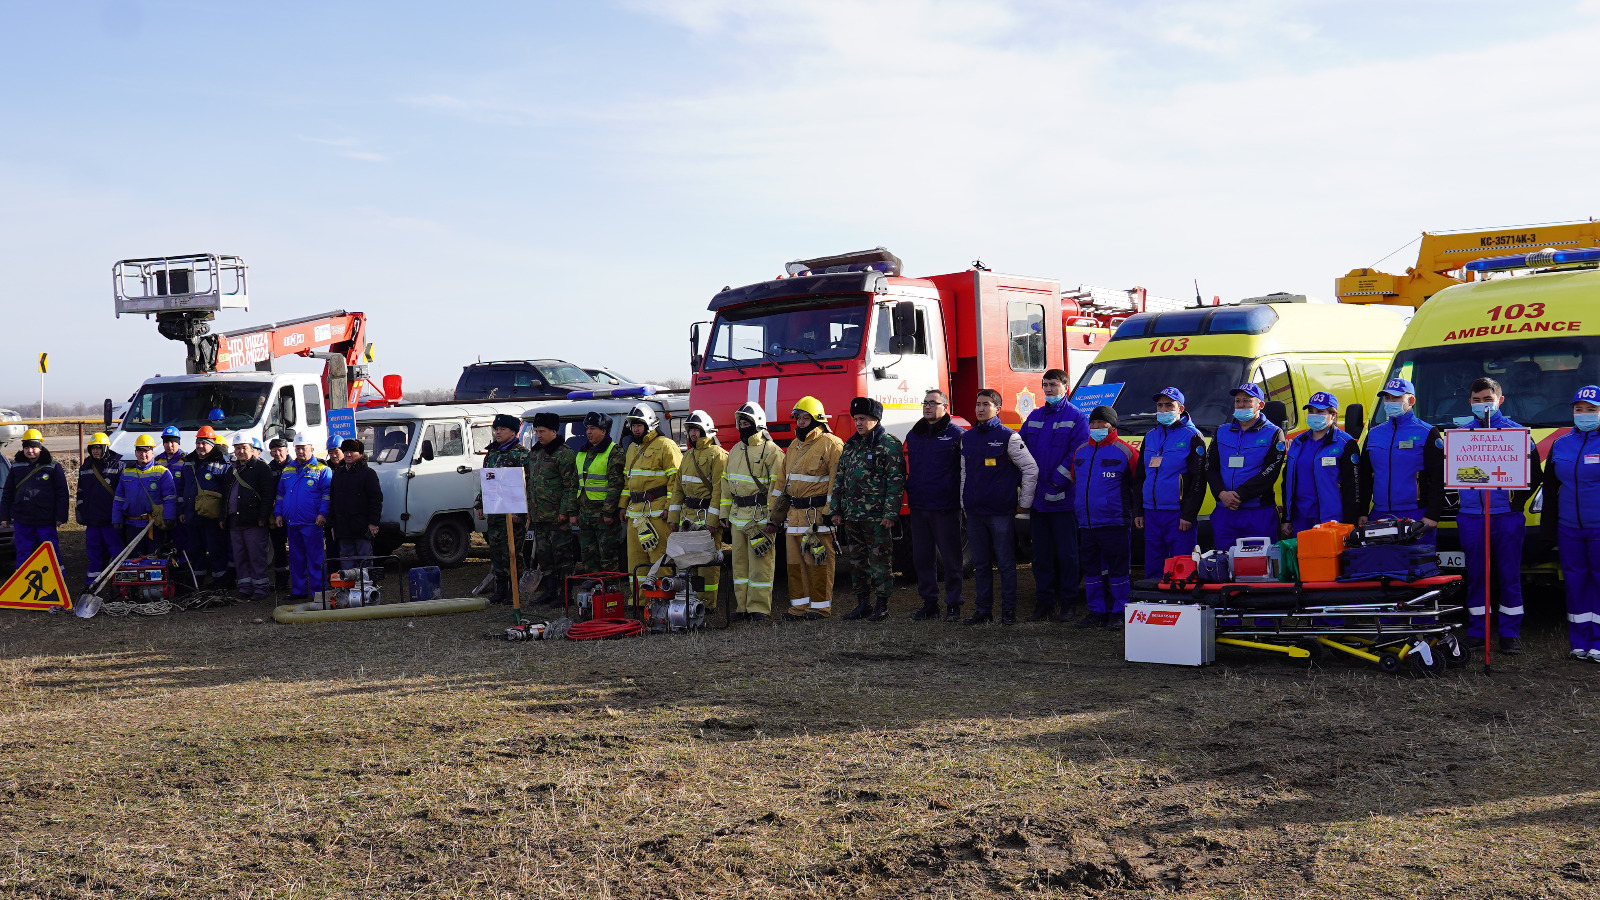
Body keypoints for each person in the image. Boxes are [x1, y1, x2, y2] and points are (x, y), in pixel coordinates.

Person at [1427, 376, 1542, 655]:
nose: (1482, 405)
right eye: (1476, 400)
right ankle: (1478, 631)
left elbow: (1536, 474)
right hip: (1470, 517)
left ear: (1500, 400)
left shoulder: (1518, 435)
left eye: (1487, 399)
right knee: (1477, 576)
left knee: (1509, 575)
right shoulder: (1460, 435)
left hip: (1505, 516)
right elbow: (1445, 476)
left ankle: (1509, 634)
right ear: (1469, 402)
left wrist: (1517, 504)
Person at [960, 389, 1038, 625]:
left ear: (997, 408)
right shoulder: (968, 437)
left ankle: (1008, 612)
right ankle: (983, 611)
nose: (980, 408)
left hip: (1000, 513)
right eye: (977, 404)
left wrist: (1024, 503)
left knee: (1005, 564)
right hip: (974, 513)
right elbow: (964, 473)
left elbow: (1031, 469)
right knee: (981, 565)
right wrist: (964, 502)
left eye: (986, 404)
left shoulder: (1009, 437)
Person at [1020, 368, 1090, 621]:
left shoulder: (1077, 418)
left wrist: (1056, 482)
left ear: (1065, 388)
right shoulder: (1035, 416)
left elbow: (1078, 453)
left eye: (1053, 385)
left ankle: (1068, 602)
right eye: (1045, 385)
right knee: (1041, 556)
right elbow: (1020, 447)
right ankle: (1044, 602)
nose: (1048, 390)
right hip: (1038, 501)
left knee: (1068, 555)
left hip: (1063, 501)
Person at [768, 396, 844, 620]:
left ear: (817, 419)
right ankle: (798, 608)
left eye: (805, 418)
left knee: (818, 563)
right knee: (794, 566)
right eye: (798, 418)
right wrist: (774, 517)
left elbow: (836, 482)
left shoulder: (832, 444)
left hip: (817, 517)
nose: (800, 422)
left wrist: (831, 511)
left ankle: (820, 608)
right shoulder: (794, 446)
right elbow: (781, 484)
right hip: (794, 517)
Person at [831, 397, 906, 622]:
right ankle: (862, 603)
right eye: (856, 419)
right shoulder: (851, 445)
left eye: (862, 419)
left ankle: (882, 605)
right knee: (857, 562)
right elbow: (840, 479)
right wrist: (836, 510)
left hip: (877, 518)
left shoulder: (889, 444)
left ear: (875, 419)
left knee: (880, 562)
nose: (858, 423)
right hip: (853, 515)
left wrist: (890, 514)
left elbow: (896, 481)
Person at [1540, 385, 1600, 662]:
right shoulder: (1560, 443)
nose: (1584, 414)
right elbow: (1549, 489)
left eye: (1592, 410)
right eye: (1579, 409)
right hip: (1569, 529)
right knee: (1575, 583)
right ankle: (1579, 641)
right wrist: (1547, 529)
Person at [1070, 406, 1142, 629]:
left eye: (1102, 423)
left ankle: (1119, 612)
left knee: (1118, 569)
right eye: (1093, 423)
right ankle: (1096, 612)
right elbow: (1075, 480)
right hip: (1086, 523)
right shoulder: (1080, 451)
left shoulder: (1126, 452)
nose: (1097, 427)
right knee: (1091, 568)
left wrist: (1136, 514)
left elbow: (1137, 486)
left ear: (1112, 425)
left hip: (1115, 522)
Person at [720, 402, 785, 621]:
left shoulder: (772, 451)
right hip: (738, 517)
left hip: (760, 519)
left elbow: (778, 489)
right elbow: (726, 484)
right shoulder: (735, 450)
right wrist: (723, 514)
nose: (742, 425)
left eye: (746, 421)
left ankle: (759, 608)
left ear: (758, 423)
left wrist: (773, 520)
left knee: (761, 565)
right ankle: (742, 607)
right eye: (740, 421)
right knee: (739, 565)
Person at [905, 389, 965, 620]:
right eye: (925, 402)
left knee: (951, 560)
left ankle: (953, 604)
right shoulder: (914, 434)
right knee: (922, 558)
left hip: (945, 507)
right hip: (919, 506)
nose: (927, 406)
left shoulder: (956, 434)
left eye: (933, 403)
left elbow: (964, 471)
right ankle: (930, 603)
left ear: (945, 407)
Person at [1207, 383, 1285, 553]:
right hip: (1224, 512)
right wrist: (1221, 494)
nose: (1241, 405)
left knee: (1260, 567)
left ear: (1260, 405)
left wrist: (1239, 495)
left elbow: (1270, 472)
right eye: (1237, 401)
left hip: (1258, 512)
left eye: (1247, 401)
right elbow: (1210, 467)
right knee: (1225, 565)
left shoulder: (1273, 433)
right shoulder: (1221, 431)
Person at [1135, 388, 1206, 573]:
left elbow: (1198, 480)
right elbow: (1140, 477)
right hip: (1152, 513)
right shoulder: (1150, 436)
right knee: (1153, 566)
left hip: (1178, 514)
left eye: (1169, 405)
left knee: (1182, 567)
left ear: (1180, 408)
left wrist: (1188, 514)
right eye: (1160, 405)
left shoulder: (1193, 436)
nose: (1164, 410)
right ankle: (1153, 601)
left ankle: (1182, 602)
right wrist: (1139, 511)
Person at [1358, 378, 1437, 532]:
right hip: (1380, 513)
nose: (1390, 402)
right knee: (1381, 556)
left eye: (1396, 397)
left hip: (1416, 514)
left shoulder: (1427, 432)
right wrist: (1362, 511)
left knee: (1414, 556)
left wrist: (1432, 514)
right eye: (1387, 398)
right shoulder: (1374, 433)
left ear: (1411, 400)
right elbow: (1364, 476)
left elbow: (1437, 478)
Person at [1280, 391, 1361, 536]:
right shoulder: (1298, 442)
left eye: (1320, 412)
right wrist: (1287, 518)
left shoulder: (1345, 443)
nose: (1313, 415)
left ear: (1333, 415)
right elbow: (1287, 481)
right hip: (1301, 518)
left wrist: (1351, 521)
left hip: (1331, 520)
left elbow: (1352, 486)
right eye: (1311, 411)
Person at [622, 405, 682, 576]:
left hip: (657, 512)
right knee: (635, 560)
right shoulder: (632, 448)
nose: (635, 429)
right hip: (635, 514)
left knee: (660, 559)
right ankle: (639, 601)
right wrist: (622, 506)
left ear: (650, 425)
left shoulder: (666, 446)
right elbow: (628, 481)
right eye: (633, 425)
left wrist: (670, 508)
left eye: (639, 425)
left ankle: (661, 599)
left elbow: (676, 481)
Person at [475, 414, 530, 604]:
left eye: (502, 429)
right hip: (495, 509)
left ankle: (514, 589)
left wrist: (520, 512)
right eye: (496, 429)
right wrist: (480, 503)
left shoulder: (521, 454)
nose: (498, 432)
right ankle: (501, 587)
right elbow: (486, 481)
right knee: (496, 550)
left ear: (514, 432)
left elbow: (526, 486)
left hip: (513, 512)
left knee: (512, 551)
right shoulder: (492, 453)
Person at [678, 410, 727, 611]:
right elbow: (677, 489)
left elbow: (719, 491)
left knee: (708, 563)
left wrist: (713, 521)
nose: (693, 434)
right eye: (690, 430)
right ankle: (694, 599)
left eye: (696, 430)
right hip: (689, 517)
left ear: (706, 430)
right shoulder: (687, 455)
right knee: (691, 561)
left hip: (706, 517)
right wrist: (675, 517)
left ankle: (708, 602)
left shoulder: (719, 455)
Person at [527, 412, 578, 604]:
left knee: (562, 557)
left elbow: (570, 485)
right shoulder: (535, 453)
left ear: (554, 432)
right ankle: (550, 591)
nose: (538, 435)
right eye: (537, 431)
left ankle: (566, 595)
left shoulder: (564, 454)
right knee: (544, 556)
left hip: (557, 516)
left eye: (542, 431)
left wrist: (565, 511)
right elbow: (530, 482)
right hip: (539, 516)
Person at [0, 428, 70, 569]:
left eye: (33, 447)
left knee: (51, 552)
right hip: (22, 519)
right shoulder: (16, 466)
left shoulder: (53, 466)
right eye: (26, 447)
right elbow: (7, 492)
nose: (30, 451)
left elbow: (62, 493)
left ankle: (57, 582)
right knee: (23, 553)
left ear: (40, 447)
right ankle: (22, 585)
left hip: (46, 519)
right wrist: (4, 516)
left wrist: (60, 516)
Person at [274, 432, 332, 600]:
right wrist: (278, 513)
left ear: (311, 449)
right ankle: (299, 590)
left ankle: (318, 591)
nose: (300, 452)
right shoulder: (288, 469)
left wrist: (323, 513)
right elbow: (280, 494)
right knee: (296, 558)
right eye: (297, 448)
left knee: (315, 558)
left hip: (312, 522)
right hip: (292, 522)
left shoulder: (322, 470)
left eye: (303, 449)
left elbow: (327, 494)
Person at [224, 434, 277, 599]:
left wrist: (263, 516)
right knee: (240, 556)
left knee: (256, 556)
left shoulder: (262, 468)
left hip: (254, 521)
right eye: (237, 448)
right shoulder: (232, 469)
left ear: (252, 450)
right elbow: (225, 496)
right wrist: (222, 517)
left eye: (244, 448)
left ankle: (261, 588)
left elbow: (268, 495)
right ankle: (245, 587)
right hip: (235, 521)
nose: (240, 451)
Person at [574, 411, 625, 575]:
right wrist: (574, 511)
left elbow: (616, 484)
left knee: (607, 556)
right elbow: (576, 483)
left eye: (593, 428)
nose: (588, 432)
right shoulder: (583, 452)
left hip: (604, 515)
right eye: (587, 428)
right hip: (585, 513)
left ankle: (609, 588)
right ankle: (593, 584)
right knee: (588, 554)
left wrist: (609, 512)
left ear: (604, 431)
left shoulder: (614, 452)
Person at [74, 432, 125, 591]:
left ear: (106, 448)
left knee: (116, 551)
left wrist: (119, 516)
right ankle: (92, 584)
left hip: (110, 520)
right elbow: (80, 491)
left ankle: (119, 584)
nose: (96, 451)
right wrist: (81, 510)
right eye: (93, 448)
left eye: (99, 448)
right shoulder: (86, 466)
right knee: (93, 552)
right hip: (92, 521)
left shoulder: (117, 465)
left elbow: (122, 493)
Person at [113, 434, 177, 557]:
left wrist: (169, 517)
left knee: (155, 558)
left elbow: (170, 498)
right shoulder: (127, 472)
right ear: (135, 453)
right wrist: (116, 518)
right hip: (132, 526)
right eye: (140, 451)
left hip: (154, 525)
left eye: (147, 451)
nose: (143, 454)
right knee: (136, 559)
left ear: (152, 452)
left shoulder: (162, 472)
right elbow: (119, 499)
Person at [184, 425, 232, 588]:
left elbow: (227, 493)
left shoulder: (223, 463)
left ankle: (220, 583)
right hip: (192, 517)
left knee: (216, 550)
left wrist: (223, 516)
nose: (200, 446)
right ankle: (197, 584)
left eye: (204, 443)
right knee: (195, 551)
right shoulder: (189, 462)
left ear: (212, 444)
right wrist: (181, 511)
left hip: (212, 518)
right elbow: (182, 488)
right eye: (198, 442)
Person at [328, 439, 383, 561]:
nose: (348, 455)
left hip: (362, 528)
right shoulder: (338, 474)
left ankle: (366, 581)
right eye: (346, 451)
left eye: (352, 452)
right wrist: (333, 525)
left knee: (365, 563)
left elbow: (376, 499)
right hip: (343, 528)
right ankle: (349, 581)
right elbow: (333, 500)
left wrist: (373, 523)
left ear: (361, 454)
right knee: (347, 564)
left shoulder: (368, 474)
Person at [156, 426, 190, 559]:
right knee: (162, 542)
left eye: (173, 442)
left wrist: (183, 511)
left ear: (178, 443)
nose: (169, 445)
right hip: (162, 510)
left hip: (179, 512)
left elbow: (187, 488)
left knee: (182, 541)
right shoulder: (158, 461)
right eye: (166, 442)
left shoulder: (185, 461)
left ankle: (183, 568)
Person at [266, 438, 292, 591]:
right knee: (279, 549)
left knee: (296, 549)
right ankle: (282, 583)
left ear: (287, 450)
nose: (277, 453)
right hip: (277, 515)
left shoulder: (296, 467)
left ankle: (298, 582)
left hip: (294, 513)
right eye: (274, 450)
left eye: (280, 449)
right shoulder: (268, 469)